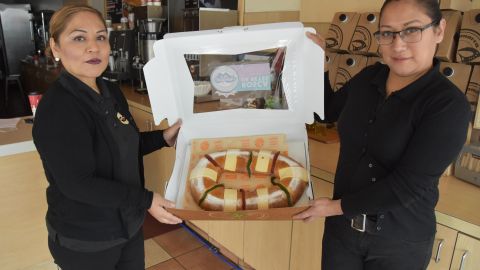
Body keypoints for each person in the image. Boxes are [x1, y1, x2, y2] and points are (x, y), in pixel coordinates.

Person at [293, 0, 471, 269]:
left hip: (398, 245)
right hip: (342, 234)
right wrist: (319, 66)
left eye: (411, 30)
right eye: (387, 33)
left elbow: (407, 186)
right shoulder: (369, 78)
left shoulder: (448, 105)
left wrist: (331, 208)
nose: (398, 45)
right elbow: (327, 112)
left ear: (439, 30)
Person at [32, 4, 182, 270]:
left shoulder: (110, 91)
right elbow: (78, 184)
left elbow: (121, 147)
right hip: (86, 239)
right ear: (56, 47)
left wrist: (163, 138)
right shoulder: (58, 107)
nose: (94, 47)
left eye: (100, 37)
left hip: (128, 227)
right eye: (79, 38)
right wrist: (146, 200)